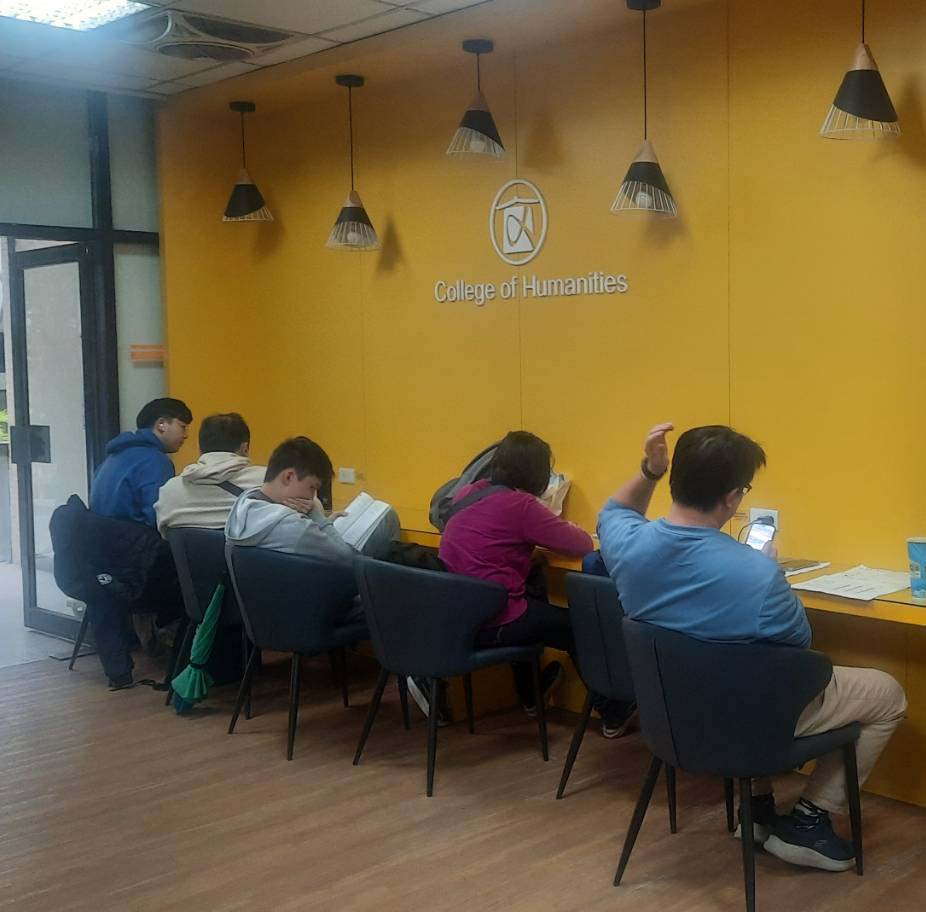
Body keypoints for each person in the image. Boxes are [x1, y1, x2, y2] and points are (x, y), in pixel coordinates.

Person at [598, 423, 907, 873]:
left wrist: (650, 471)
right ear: (732, 498)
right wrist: (767, 571)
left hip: (673, 716)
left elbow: (616, 510)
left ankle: (757, 809)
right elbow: (798, 648)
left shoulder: (625, 545)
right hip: (746, 719)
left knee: (742, 671)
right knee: (886, 693)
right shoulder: (756, 576)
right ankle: (809, 820)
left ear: (675, 477)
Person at [439, 430, 635, 734]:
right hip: (495, 619)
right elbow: (582, 544)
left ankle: (531, 696)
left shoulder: (468, 493)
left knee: (531, 590)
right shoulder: (520, 505)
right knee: (579, 628)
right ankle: (612, 712)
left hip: (458, 616)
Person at [225, 435, 399, 564]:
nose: (312, 496)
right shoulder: (296, 528)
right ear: (288, 477)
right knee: (387, 517)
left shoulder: (242, 508)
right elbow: (347, 558)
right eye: (312, 487)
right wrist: (317, 515)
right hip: (330, 596)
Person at [91, 397, 193, 527]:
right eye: (182, 427)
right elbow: (159, 519)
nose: (186, 435)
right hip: (134, 538)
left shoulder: (112, 458)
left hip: (102, 537)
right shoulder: (154, 461)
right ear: (161, 424)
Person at [156, 412, 265, 533]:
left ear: (200, 449)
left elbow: (164, 532)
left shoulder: (169, 490)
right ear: (245, 448)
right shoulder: (266, 483)